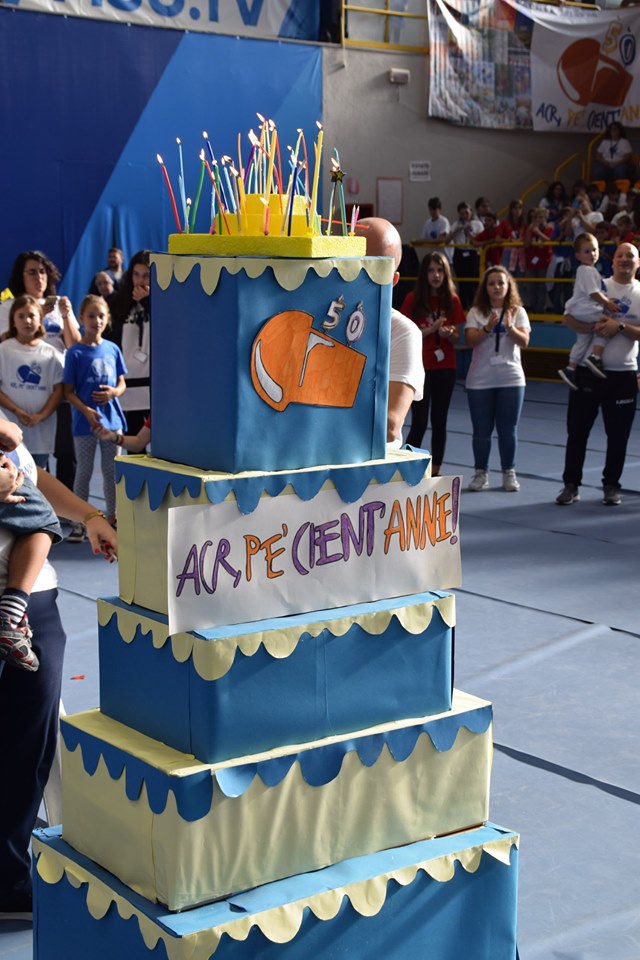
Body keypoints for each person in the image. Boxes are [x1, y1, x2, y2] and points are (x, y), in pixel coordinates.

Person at [0, 415, 116, 921]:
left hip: (33, 602)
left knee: (29, 745)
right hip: (16, 603)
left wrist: (89, 515)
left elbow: (30, 473)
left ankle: (8, 879)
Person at [556, 242, 640, 506]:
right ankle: (571, 485)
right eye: (620, 255)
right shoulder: (597, 284)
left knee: (618, 435)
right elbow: (567, 317)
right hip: (588, 373)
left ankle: (611, 485)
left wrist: (620, 326)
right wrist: (589, 327)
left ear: (638, 262)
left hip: (623, 375)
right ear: (612, 261)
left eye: (630, 256)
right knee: (577, 431)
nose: (624, 259)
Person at [0, 251, 81, 490]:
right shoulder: (9, 306)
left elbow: (75, 346)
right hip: (18, 395)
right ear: (21, 276)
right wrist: (34, 317)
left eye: (43, 271)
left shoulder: (59, 304)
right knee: (25, 459)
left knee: (65, 453)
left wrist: (65, 315)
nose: (39, 277)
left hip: (58, 390)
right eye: (32, 272)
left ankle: (63, 507)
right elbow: (6, 342)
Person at [0, 419, 63, 673]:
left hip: (38, 594)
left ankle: (13, 615)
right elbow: (12, 435)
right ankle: (10, 616)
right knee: (43, 518)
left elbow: (32, 473)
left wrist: (91, 517)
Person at [355, 218, 424, 445]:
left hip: (371, 462)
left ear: (393, 279)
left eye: (373, 267)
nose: (358, 274)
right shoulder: (325, 316)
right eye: (352, 262)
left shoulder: (403, 332)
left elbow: (389, 425)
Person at [464, 265, 530, 492]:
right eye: (492, 283)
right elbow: (470, 341)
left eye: (501, 283)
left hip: (511, 379)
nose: (496, 287)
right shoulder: (476, 312)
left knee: (508, 430)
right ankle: (480, 473)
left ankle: (509, 472)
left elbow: (524, 341)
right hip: (480, 380)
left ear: (508, 286)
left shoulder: (518, 311)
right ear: (486, 288)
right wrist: (487, 328)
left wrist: (510, 327)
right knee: (481, 431)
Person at [64, 296, 127, 531]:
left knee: (112, 473)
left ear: (107, 318)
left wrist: (113, 393)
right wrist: (86, 411)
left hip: (112, 422)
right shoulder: (74, 353)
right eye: (91, 316)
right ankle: (79, 522)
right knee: (84, 471)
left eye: (101, 316)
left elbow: (122, 383)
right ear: (81, 318)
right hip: (84, 424)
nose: (96, 321)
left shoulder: (113, 349)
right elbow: (68, 392)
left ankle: (113, 518)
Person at [402, 253, 464, 474]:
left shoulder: (452, 300)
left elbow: (458, 338)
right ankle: (407, 468)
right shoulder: (413, 299)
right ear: (424, 274)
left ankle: (435, 472)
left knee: (440, 421)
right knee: (419, 421)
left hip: (445, 367)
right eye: (431, 270)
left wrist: (449, 334)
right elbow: (405, 334)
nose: (436, 275)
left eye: (440, 270)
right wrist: (430, 329)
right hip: (420, 366)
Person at [0, 297, 64, 469]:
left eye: (31, 316)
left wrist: (41, 415)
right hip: (8, 436)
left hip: (41, 434)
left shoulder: (52, 354)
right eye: (21, 316)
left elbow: (59, 390)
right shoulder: (3, 350)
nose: (27, 321)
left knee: (38, 476)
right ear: (13, 320)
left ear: (40, 320)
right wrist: (17, 410)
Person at [557, 233, 621, 389]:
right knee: (606, 323)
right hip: (584, 309)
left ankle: (571, 367)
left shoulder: (586, 271)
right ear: (577, 255)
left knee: (582, 340)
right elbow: (593, 293)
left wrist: (606, 300)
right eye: (587, 251)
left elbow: (595, 292)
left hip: (580, 311)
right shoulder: (587, 270)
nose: (592, 254)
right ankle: (595, 357)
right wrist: (608, 303)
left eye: (594, 250)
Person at [107, 250, 150, 436]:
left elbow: (169, 328)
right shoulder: (119, 302)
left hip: (155, 385)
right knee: (134, 442)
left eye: (146, 275)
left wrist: (148, 301)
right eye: (136, 274)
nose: (140, 281)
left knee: (161, 445)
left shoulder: (164, 301)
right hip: (128, 384)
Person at [445, 201, 484, 309]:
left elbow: (481, 240)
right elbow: (446, 241)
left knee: (472, 281)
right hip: (459, 253)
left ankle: (473, 305)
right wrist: (456, 230)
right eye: (462, 213)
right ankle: (462, 306)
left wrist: (469, 234)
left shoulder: (477, 224)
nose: (465, 215)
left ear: (470, 211)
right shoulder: (456, 224)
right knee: (462, 282)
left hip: (472, 253)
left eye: (466, 212)